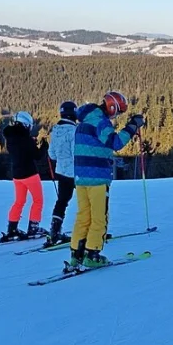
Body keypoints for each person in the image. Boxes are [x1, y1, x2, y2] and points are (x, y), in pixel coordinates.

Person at [67, 91, 145, 269]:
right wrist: (132, 126)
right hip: (97, 177)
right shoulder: (100, 121)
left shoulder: (85, 120)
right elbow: (115, 142)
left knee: (83, 216)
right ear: (112, 107)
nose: (116, 116)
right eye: (117, 112)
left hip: (81, 177)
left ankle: (76, 255)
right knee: (99, 218)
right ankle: (92, 255)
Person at [0, 111, 49, 242]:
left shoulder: (10, 138)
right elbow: (37, 156)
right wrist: (44, 147)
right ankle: (33, 228)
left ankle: (12, 229)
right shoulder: (26, 139)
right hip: (30, 174)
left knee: (19, 201)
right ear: (26, 125)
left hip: (17, 175)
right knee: (38, 200)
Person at [45, 100, 78, 246]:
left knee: (62, 201)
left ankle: (55, 231)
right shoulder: (74, 131)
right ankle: (91, 230)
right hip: (75, 172)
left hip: (61, 171)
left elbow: (51, 154)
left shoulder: (55, 130)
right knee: (87, 200)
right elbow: (75, 154)